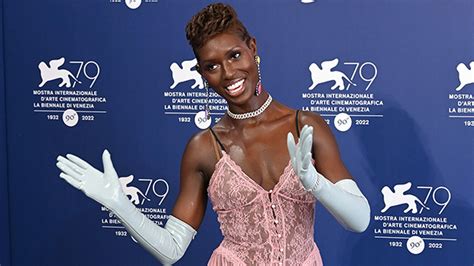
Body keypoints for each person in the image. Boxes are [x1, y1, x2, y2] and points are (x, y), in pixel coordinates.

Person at [56, 3, 370, 265]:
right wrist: (119, 205)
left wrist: (315, 183)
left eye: (234, 55)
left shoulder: (306, 126)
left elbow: (359, 220)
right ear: (202, 74)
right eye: (212, 66)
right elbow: (171, 249)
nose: (229, 73)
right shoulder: (203, 147)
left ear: (252, 48)